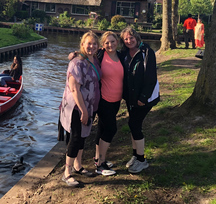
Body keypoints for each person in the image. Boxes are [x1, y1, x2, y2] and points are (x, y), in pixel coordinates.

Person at [60, 31, 101, 187]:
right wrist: (83, 110)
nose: (91, 46)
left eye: (94, 44)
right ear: (82, 44)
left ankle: (78, 166)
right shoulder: (77, 63)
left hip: (90, 106)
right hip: (77, 107)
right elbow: (74, 89)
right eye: (88, 43)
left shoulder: (95, 59)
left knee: (83, 136)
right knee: (76, 137)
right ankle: (67, 173)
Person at [120, 26, 160, 174]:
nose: (129, 41)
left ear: (137, 37)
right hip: (131, 97)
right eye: (126, 39)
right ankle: (135, 156)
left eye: (131, 37)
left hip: (144, 97)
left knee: (134, 124)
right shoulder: (124, 53)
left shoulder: (147, 52)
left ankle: (142, 160)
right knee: (133, 125)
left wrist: (144, 97)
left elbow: (151, 76)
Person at [93, 31, 125, 176]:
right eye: (106, 42)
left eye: (112, 41)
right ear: (102, 44)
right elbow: (84, 56)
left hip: (116, 100)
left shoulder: (121, 56)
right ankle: (101, 164)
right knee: (111, 129)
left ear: (117, 41)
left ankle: (97, 158)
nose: (110, 45)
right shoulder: (99, 55)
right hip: (103, 99)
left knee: (102, 128)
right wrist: (74, 55)